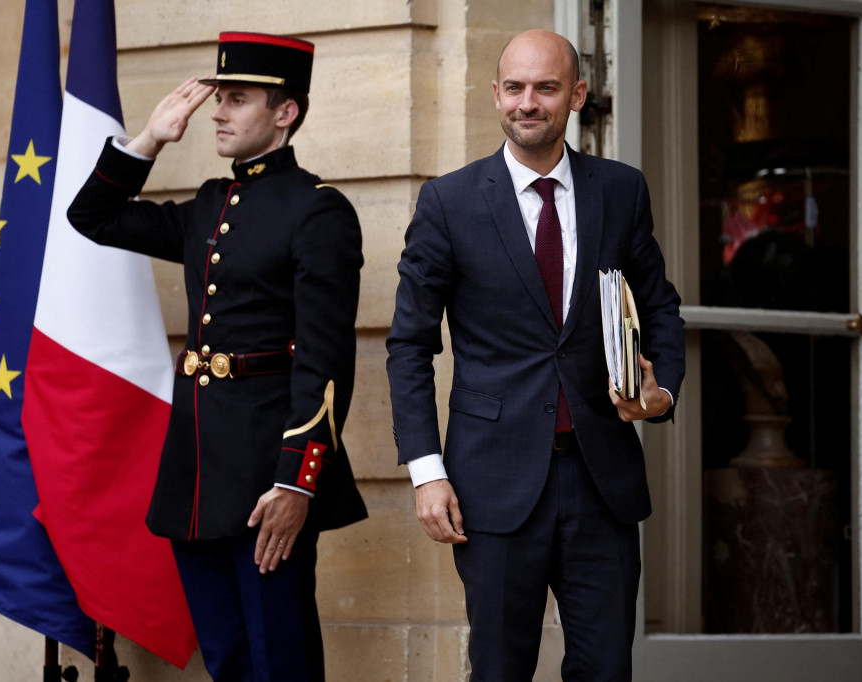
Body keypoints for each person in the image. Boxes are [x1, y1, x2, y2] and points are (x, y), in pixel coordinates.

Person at [386, 29, 685, 681]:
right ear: (496, 94)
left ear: (576, 95)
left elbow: (659, 304)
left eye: (546, 88)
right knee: (498, 669)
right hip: (489, 484)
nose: (528, 102)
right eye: (515, 88)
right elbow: (409, 342)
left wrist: (661, 394)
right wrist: (426, 471)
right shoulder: (449, 201)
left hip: (601, 478)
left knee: (606, 668)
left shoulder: (620, 190)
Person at [67, 31, 367, 682]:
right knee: (227, 660)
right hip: (197, 474)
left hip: (268, 477)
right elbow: (92, 216)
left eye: (236, 99)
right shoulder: (210, 204)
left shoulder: (319, 212)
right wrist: (149, 139)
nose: (217, 113)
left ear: (285, 112)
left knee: (278, 660)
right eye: (217, 99)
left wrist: (297, 482)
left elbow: (325, 361)